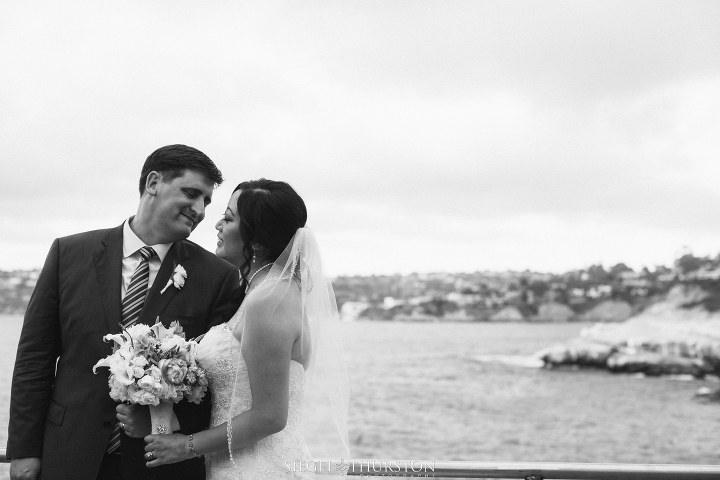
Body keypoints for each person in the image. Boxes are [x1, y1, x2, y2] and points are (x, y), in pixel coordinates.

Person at [8, 145, 243, 480]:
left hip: (158, 464)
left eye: (206, 201)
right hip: (68, 453)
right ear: (153, 182)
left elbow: (218, 383)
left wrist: (164, 421)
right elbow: (35, 359)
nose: (200, 209)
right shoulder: (68, 254)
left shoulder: (218, 276)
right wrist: (24, 451)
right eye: (192, 194)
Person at [142, 179, 350, 479]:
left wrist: (186, 446)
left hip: (259, 468)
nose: (217, 225)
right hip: (235, 465)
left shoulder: (270, 299)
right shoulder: (262, 293)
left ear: (258, 241)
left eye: (228, 218)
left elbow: (269, 417)